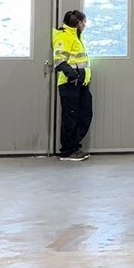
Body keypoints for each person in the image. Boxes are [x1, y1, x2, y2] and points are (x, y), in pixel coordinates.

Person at [53, 10, 93, 162]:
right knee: (70, 117)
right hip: (70, 84)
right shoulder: (64, 36)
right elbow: (59, 61)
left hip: (81, 84)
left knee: (85, 114)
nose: (85, 25)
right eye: (84, 22)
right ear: (78, 23)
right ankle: (67, 151)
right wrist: (73, 75)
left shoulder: (77, 36)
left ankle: (74, 147)